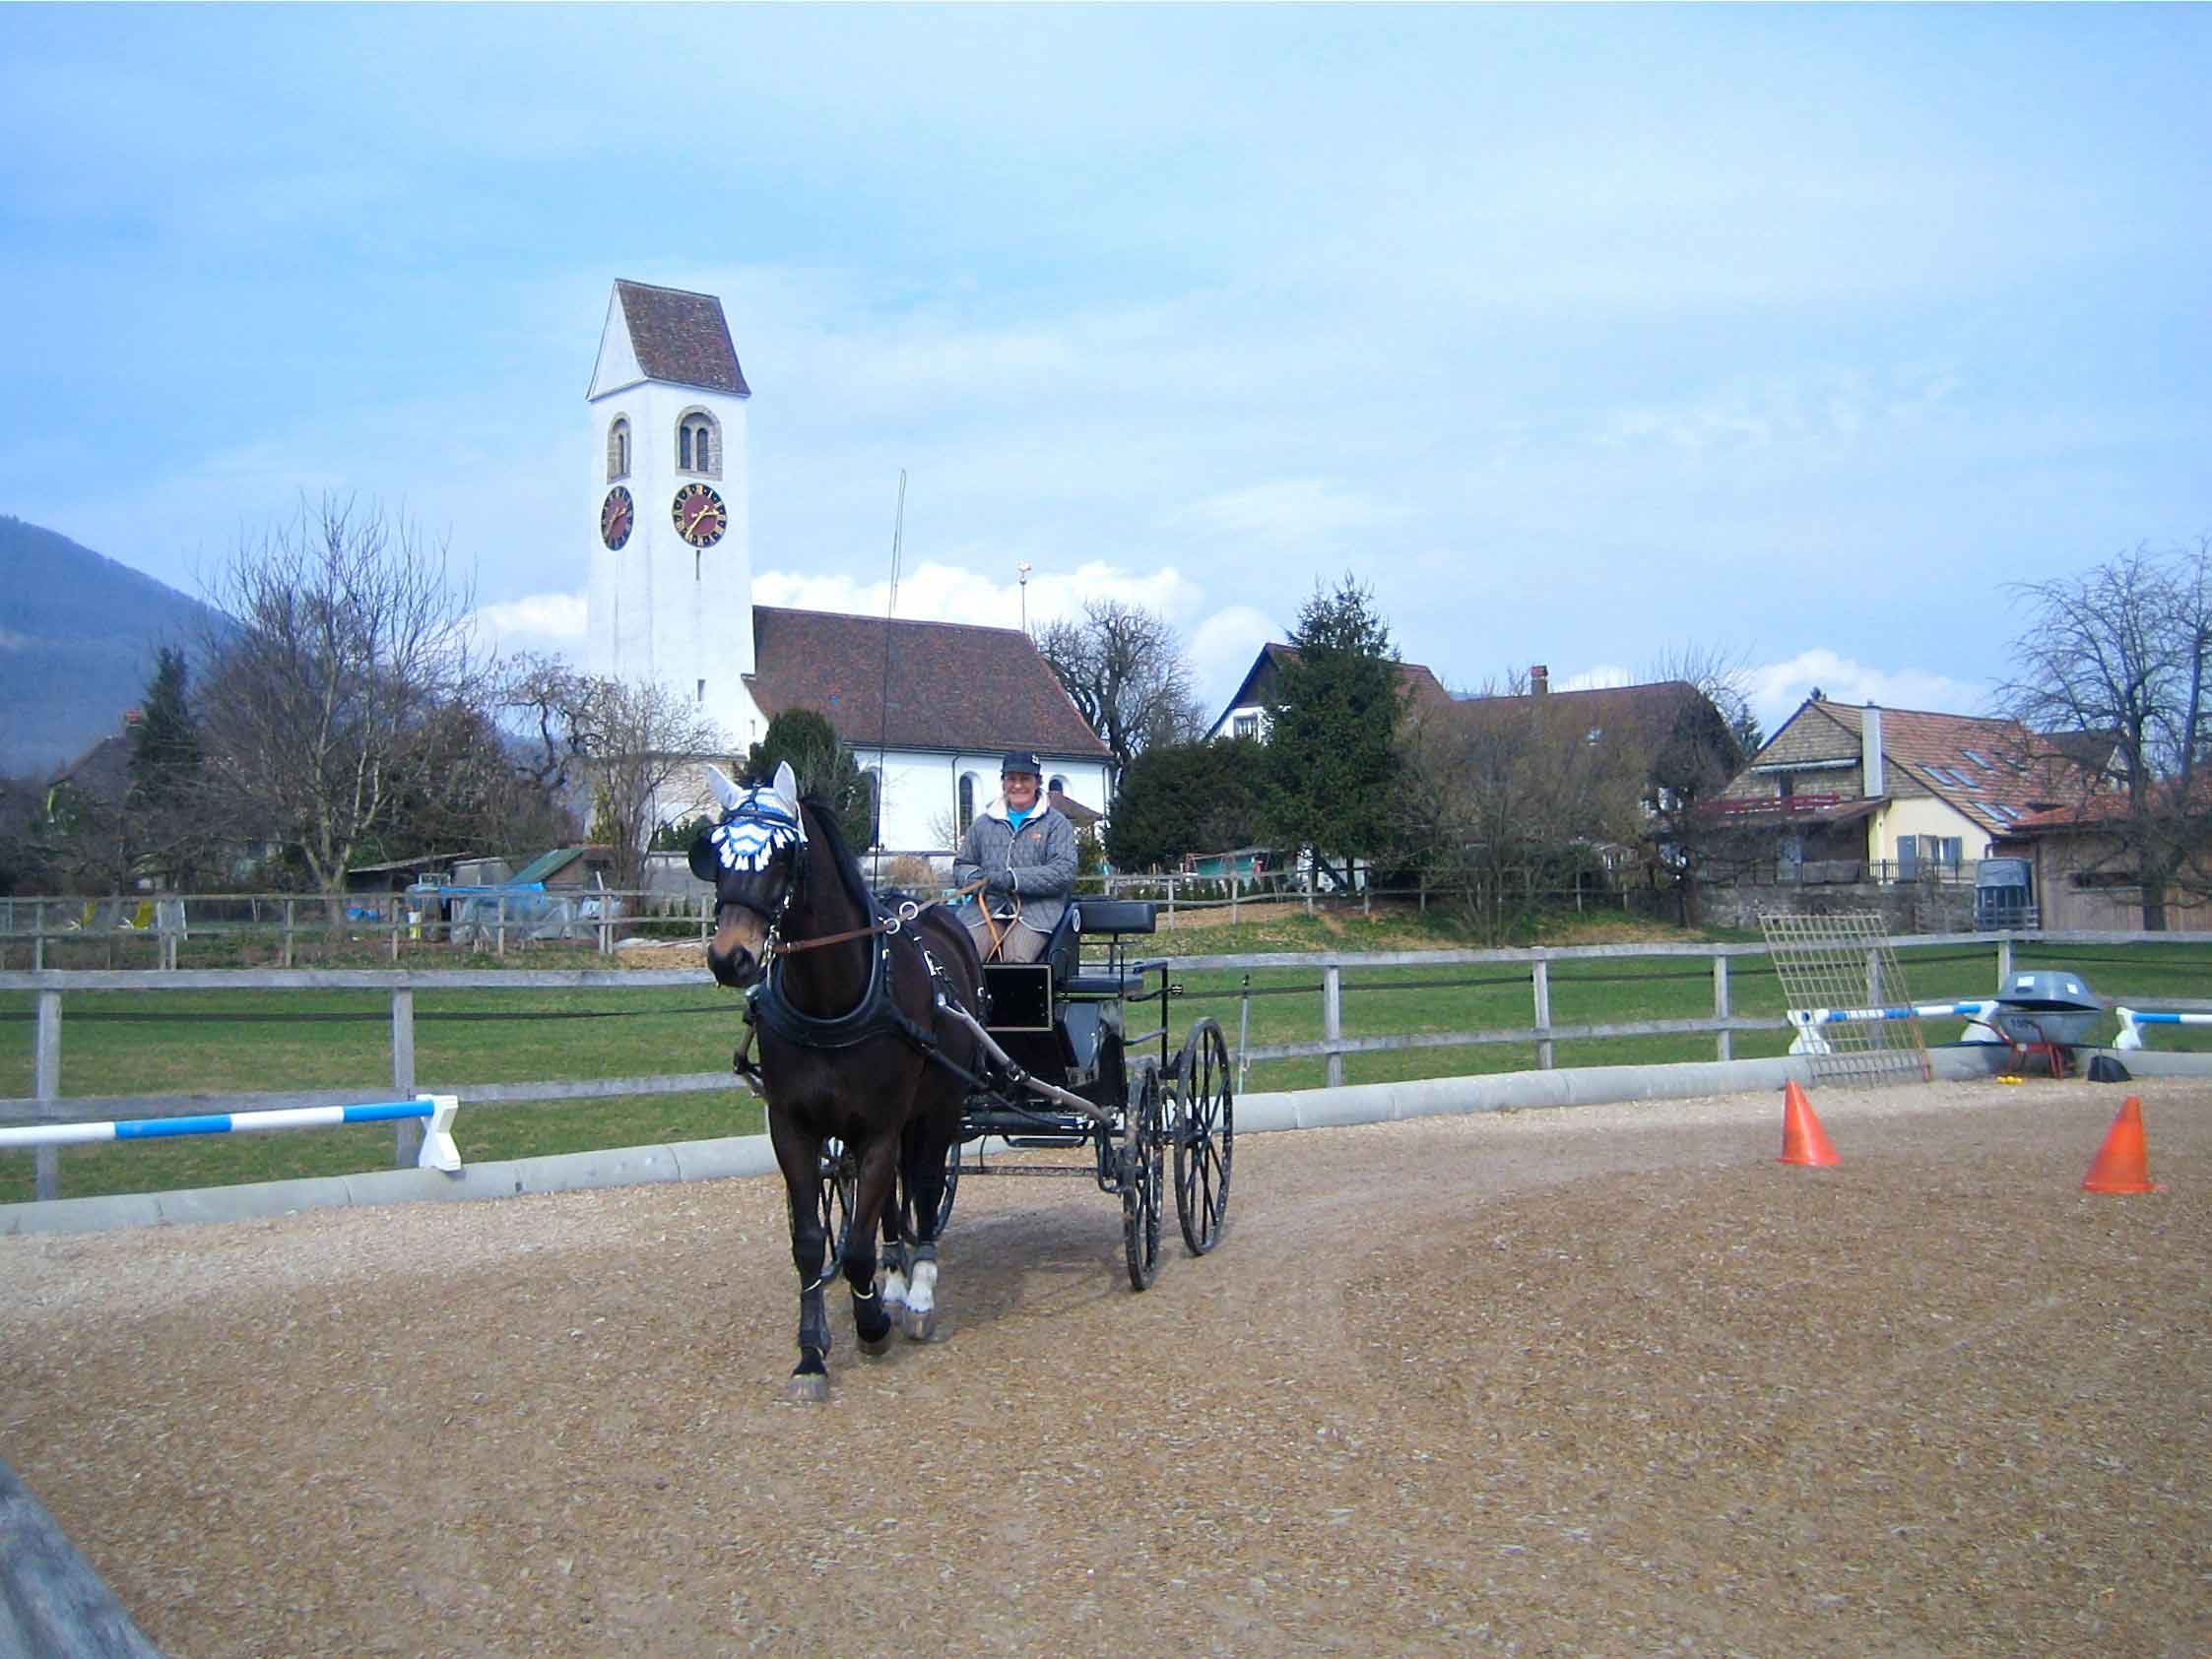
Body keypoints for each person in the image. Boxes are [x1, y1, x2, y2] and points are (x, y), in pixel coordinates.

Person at [953, 751, 1077, 963]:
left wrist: (1012, 880)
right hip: (985, 911)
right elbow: (962, 864)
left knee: (1015, 959)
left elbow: (1063, 871)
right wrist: (974, 879)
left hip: (1037, 913)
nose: (1018, 785)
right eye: (1012, 779)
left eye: (1025, 779)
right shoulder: (983, 824)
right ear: (1003, 783)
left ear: (1038, 782)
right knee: (963, 956)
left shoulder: (1057, 824)